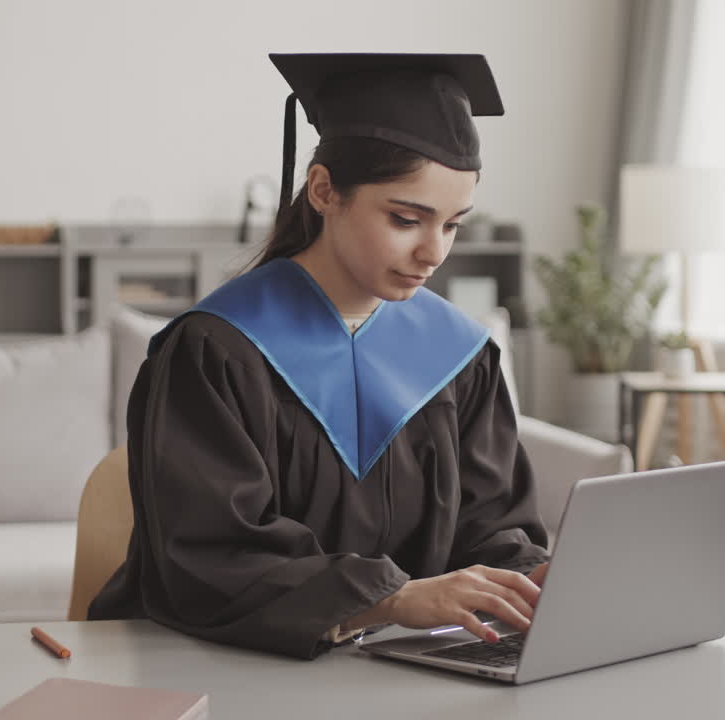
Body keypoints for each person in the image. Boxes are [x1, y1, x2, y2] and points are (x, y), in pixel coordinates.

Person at [89, 53, 550, 659]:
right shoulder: (216, 351)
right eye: (407, 219)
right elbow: (209, 553)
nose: (433, 252)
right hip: (222, 666)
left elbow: (492, 527)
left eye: (454, 225)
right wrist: (389, 598)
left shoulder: (461, 357)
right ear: (325, 190)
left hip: (405, 674)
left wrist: (530, 582)